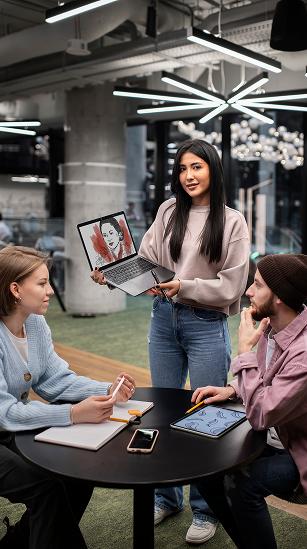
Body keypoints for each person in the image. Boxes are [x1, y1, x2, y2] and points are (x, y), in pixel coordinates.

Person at [92, 138, 250, 544]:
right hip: (163, 319)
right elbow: (146, 264)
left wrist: (184, 286)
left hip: (205, 322)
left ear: (213, 169)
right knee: (160, 408)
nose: (188, 176)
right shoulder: (168, 211)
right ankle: (166, 497)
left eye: (196, 167)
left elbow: (232, 287)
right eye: (182, 169)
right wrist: (113, 274)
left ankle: (204, 507)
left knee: (204, 413)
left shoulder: (232, 221)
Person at [0, 246, 136, 549]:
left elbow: (55, 380)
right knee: (47, 487)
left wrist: (107, 389)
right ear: (15, 289)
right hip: (5, 424)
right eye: (42, 283)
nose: (50, 290)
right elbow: (5, 414)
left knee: (76, 469)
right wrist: (73, 414)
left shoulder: (34, 323)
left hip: (11, 430)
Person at [192, 253, 307, 549]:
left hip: (300, 451)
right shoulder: (273, 326)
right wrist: (232, 390)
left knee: (241, 484)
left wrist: (243, 350)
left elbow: (261, 415)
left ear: (279, 297)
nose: (248, 292)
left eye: (257, 285)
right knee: (206, 469)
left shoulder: (303, 354)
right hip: (277, 437)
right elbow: (265, 382)